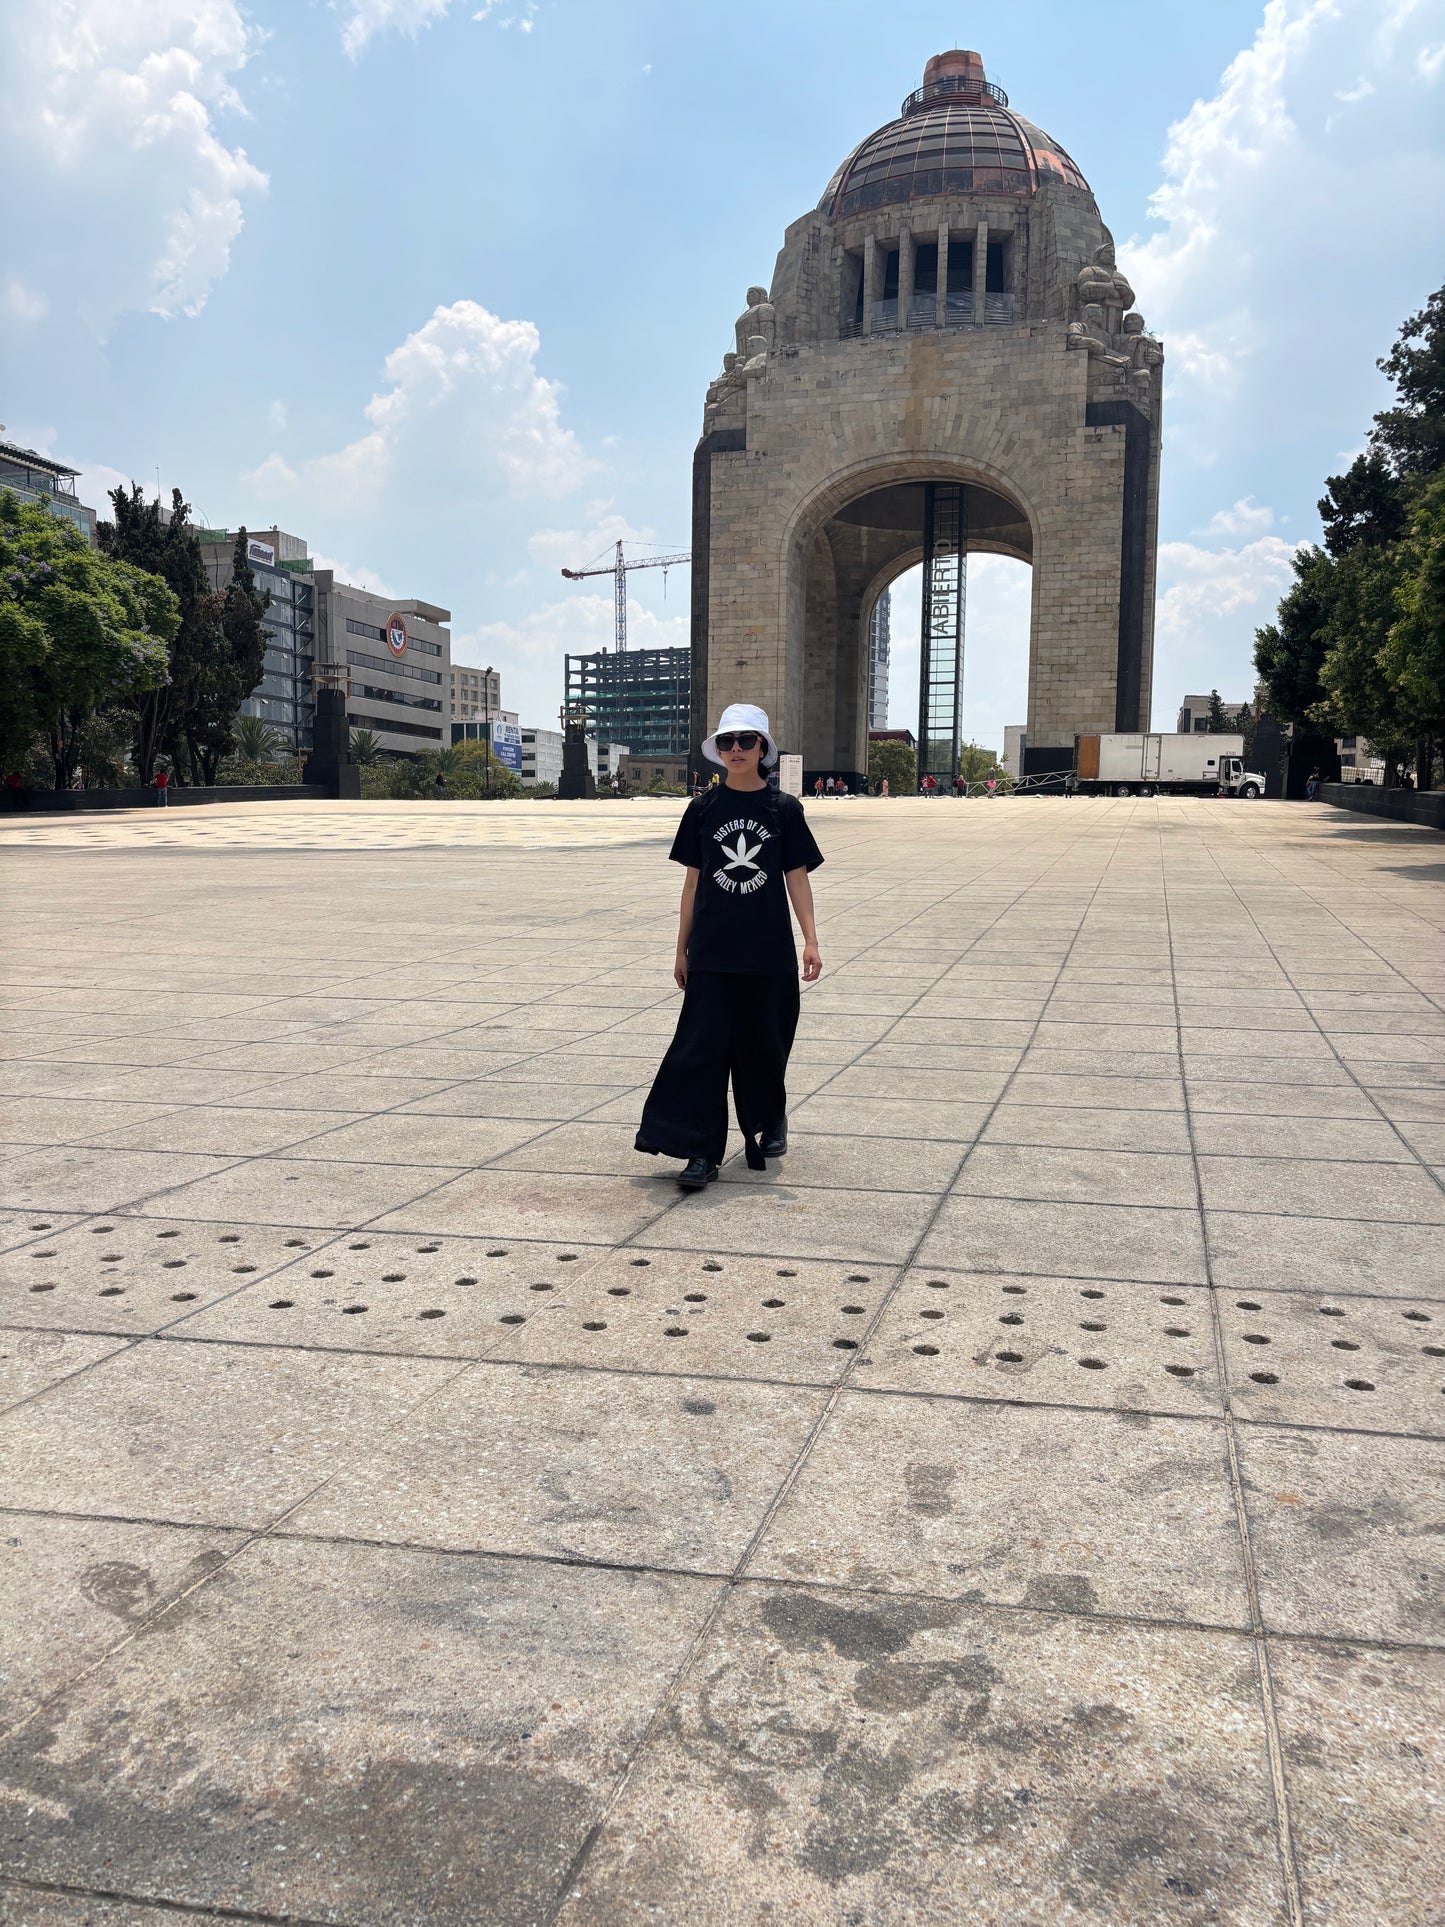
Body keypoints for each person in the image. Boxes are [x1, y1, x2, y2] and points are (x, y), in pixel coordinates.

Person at [635, 703, 823, 1190]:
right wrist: (681, 949)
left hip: (768, 953)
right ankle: (700, 1150)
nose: (735, 750)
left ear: (763, 747)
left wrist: (811, 940)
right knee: (700, 1050)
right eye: (726, 742)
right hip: (713, 951)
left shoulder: (783, 809)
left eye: (745, 741)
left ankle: (769, 1118)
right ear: (717, 752)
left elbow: (796, 879)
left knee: (767, 1045)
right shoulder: (703, 809)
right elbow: (693, 886)